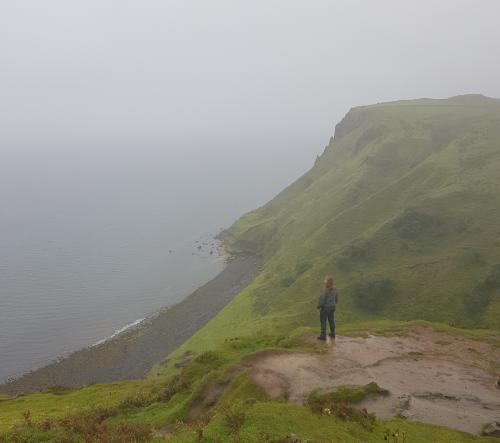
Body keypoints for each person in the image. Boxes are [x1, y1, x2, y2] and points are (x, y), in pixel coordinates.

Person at [317, 275, 338, 340]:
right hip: (332, 307)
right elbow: (336, 298)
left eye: (325, 279)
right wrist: (334, 303)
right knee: (331, 320)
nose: (324, 280)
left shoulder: (325, 290)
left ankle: (323, 335)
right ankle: (332, 333)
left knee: (323, 321)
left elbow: (322, 299)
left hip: (326, 307)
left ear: (327, 282)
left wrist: (318, 307)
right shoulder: (335, 289)